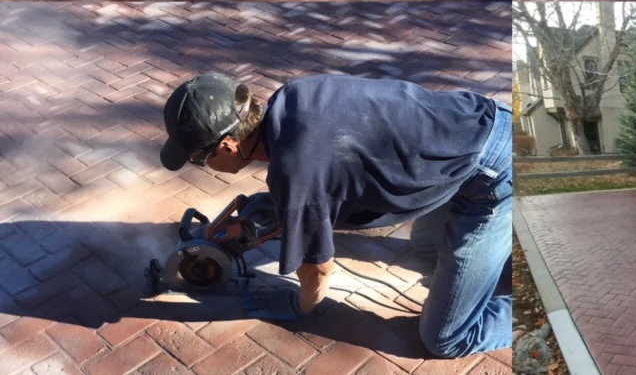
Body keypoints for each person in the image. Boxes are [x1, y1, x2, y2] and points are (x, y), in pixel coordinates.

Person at [158, 72, 512, 358]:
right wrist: (280, 212)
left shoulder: (296, 171)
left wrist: (299, 304)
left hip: (495, 174)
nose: (203, 166)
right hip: (479, 124)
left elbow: (319, 270)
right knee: (426, 246)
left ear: (228, 146)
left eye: (198, 159)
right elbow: (328, 182)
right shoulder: (292, 97)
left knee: (446, 338)